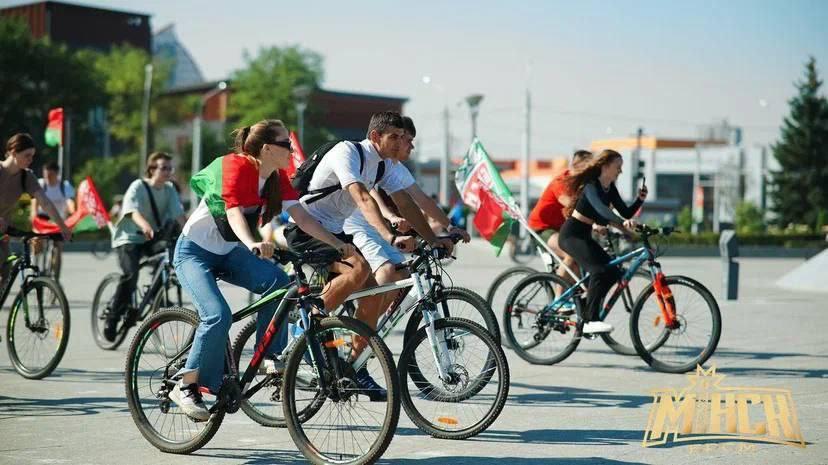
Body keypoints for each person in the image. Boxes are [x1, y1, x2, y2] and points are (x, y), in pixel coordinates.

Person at [171, 119, 355, 421]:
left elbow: (302, 218)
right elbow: (232, 212)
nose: (292, 149)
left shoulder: (276, 178)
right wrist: (253, 242)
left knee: (279, 285)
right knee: (218, 315)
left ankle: (272, 356)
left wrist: (335, 243)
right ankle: (187, 386)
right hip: (194, 253)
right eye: (286, 144)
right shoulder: (236, 166)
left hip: (228, 253)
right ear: (267, 148)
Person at [285, 111, 450, 400]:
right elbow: (361, 197)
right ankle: (305, 329)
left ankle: (354, 367)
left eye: (403, 137)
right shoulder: (347, 152)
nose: (401, 143)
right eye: (395, 137)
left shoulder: (385, 166)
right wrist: (389, 235)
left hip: (337, 232)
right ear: (376, 136)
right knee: (359, 268)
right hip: (308, 227)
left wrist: (434, 238)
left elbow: (409, 204)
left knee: (374, 292)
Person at [343, 116, 468, 289]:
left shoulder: (397, 169)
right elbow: (369, 194)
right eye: (406, 140)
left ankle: (380, 315)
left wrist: (450, 227)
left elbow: (421, 200)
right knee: (386, 272)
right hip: (357, 224)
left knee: (404, 275)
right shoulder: (374, 160)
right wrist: (391, 216)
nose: (411, 146)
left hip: (380, 228)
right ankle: (365, 316)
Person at [558, 149, 648, 334]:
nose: (620, 171)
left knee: (613, 272)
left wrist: (640, 200)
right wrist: (622, 223)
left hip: (584, 236)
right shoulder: (591, 185)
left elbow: (625, 212)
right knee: (598, 270)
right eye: (618, 167)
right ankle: (591, 321)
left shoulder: (610, 188)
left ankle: (584, 302)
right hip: (571, 235)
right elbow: (601, 209)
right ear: (605, 166)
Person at [105, 152, 187, 341]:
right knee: (131, 275)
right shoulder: (137, 186)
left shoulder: (169, 189)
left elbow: (179, 216)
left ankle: (153, 295)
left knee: (170, 258)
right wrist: (145, 226)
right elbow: (131, 211)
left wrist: (190, 233)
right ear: (151, 169)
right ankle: (113, 316)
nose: (167, 172)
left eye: (169, 168)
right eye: (163, 168)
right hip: (130, 238)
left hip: (151, 238)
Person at [0, 133, 72, 292]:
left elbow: (45, 202)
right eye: (27, 155)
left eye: (32, 156)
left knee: (5, 272)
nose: (30, 160)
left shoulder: (27, 177)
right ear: (13, 152)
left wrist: (63, 227)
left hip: (2, 232)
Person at [527, 150, 593, 293]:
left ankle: (574, 297)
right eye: (588, 168)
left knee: (581, 260)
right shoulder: (561, 182)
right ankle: (558, 300)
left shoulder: (583, 185)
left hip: (561, 229)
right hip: (542, 228)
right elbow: (571, 205)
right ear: (577, 166)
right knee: (571, 253)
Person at [30, 161, 75, 282]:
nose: (47, 178)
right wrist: (34, 216)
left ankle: (56, 276)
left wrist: (73, 212)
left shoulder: (64, 186)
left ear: (57, 174)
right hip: (42, 217)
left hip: (57, 219)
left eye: (50, 176)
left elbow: (70, 202)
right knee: (36, 239)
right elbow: (35, 202)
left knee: (58, 246)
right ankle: (34, 264)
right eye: (46, 175)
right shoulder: (41, 183)